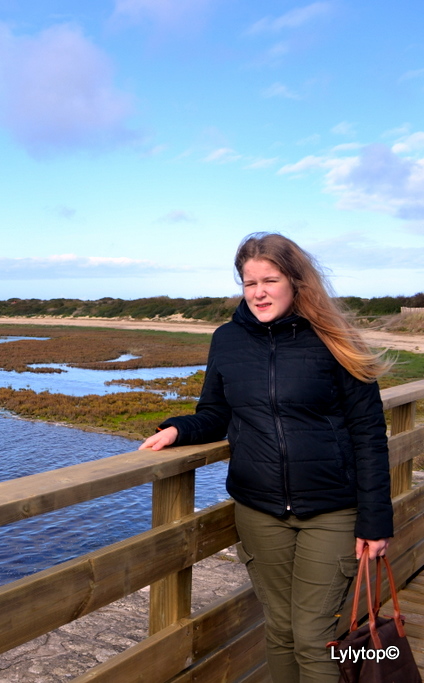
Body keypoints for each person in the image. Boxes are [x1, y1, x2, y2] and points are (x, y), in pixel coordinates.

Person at [140, 233, 393, 683]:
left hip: (332, 510)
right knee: (278, 629)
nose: (257, 292)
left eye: (269, 280)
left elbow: (369, 433)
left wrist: (376, 520)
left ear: (295, 281)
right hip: (259, 512)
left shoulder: (334, 338)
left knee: (313, 638)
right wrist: (179, 429)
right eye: (247, 282)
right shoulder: (228, 339)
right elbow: (216, 413)